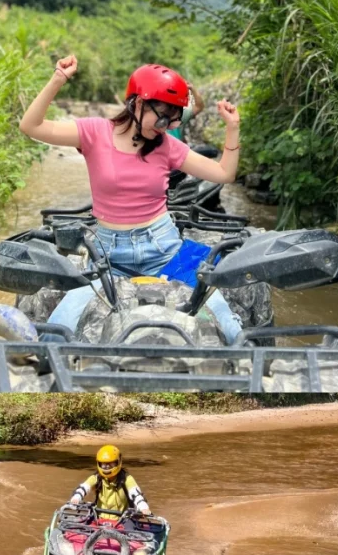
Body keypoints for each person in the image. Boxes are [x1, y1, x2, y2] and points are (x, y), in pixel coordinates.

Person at [18, 58, 243, 343]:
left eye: (173, 119)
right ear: (136, 103)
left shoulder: (168, 146)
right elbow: (31, 126)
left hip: (164, 248)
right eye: (161, 116)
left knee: (225, 319)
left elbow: (224, 173)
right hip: (109, 255)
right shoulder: (93, 132)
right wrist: (58, 78)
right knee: (60, 325)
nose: (165, 126)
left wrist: (232, 128)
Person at [67, 445, 151, 517]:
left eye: (111, 463)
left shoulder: (126, 479)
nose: (107, 467)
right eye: (103, 464)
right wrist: (76, 498)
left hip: (123, 520)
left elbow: (136, 494)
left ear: (118, 462)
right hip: (99, 518)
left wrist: (143, 507)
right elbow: (84, 487)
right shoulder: (97, 477)